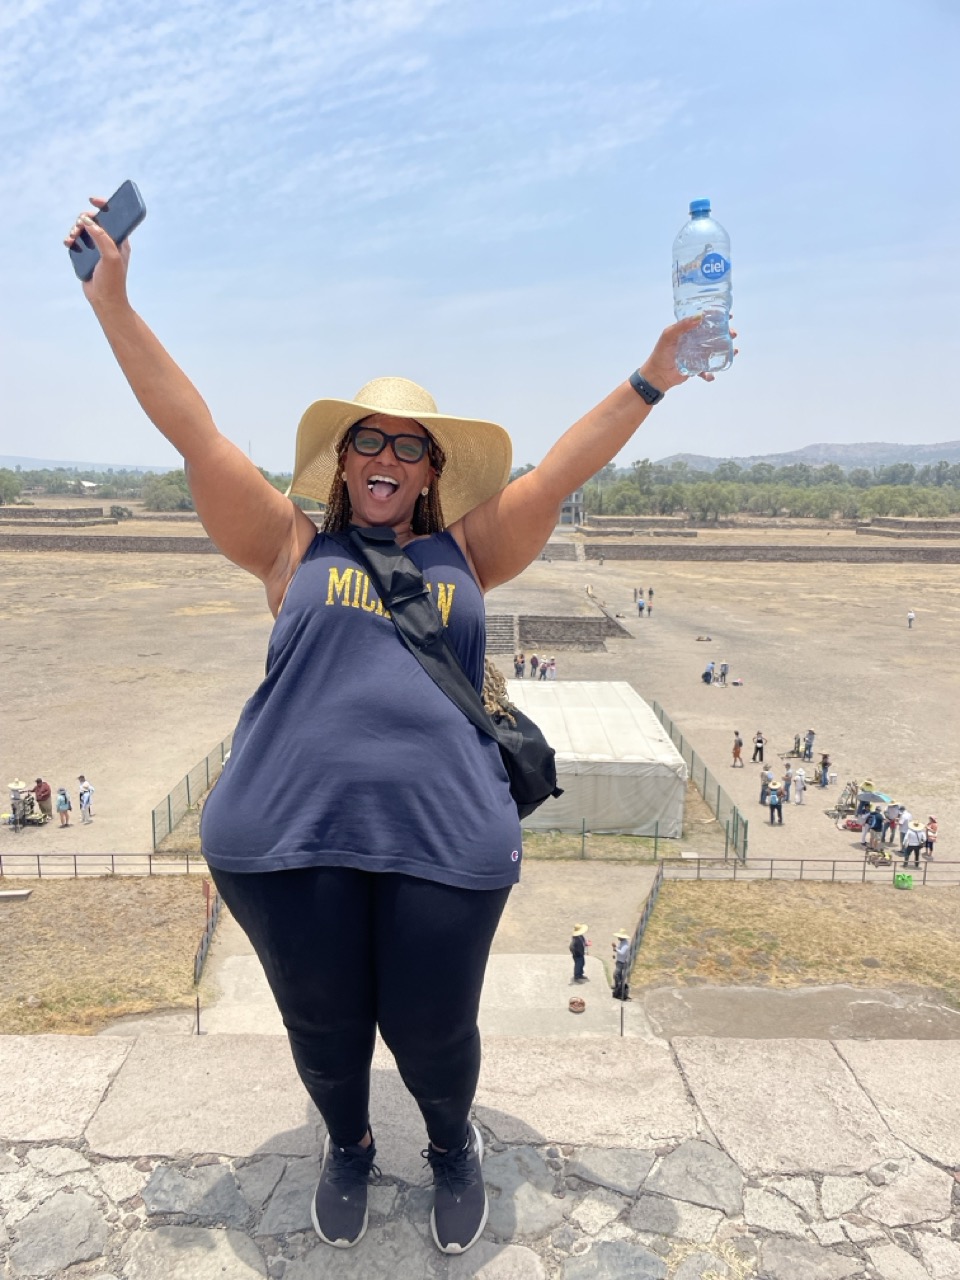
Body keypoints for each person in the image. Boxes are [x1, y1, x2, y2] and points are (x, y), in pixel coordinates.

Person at [65, 197, 726, 1258]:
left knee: (431, 1029)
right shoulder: (289, 548)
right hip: (289, 837)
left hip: (445, 841)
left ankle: (453, 1142)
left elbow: (560, 467)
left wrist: (652, 373)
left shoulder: (469, 550)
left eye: (406, 446)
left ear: (430, 472)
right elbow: (192, 427)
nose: (383, 454)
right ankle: (349, 1139)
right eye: (364, 439)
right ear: (341, 462)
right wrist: (114, 303)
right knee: (324, 1029)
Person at [612, 930, 631, 1001]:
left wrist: (616, 949)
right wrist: (616, 948)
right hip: (619, 961)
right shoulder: (622, 942)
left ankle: (619, 989)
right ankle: (618, 987)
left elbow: (622, 953)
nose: (618, 938)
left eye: (619, 937)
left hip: (621, 962)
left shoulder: (625, 945)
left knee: (616, 975)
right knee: (617, 975)